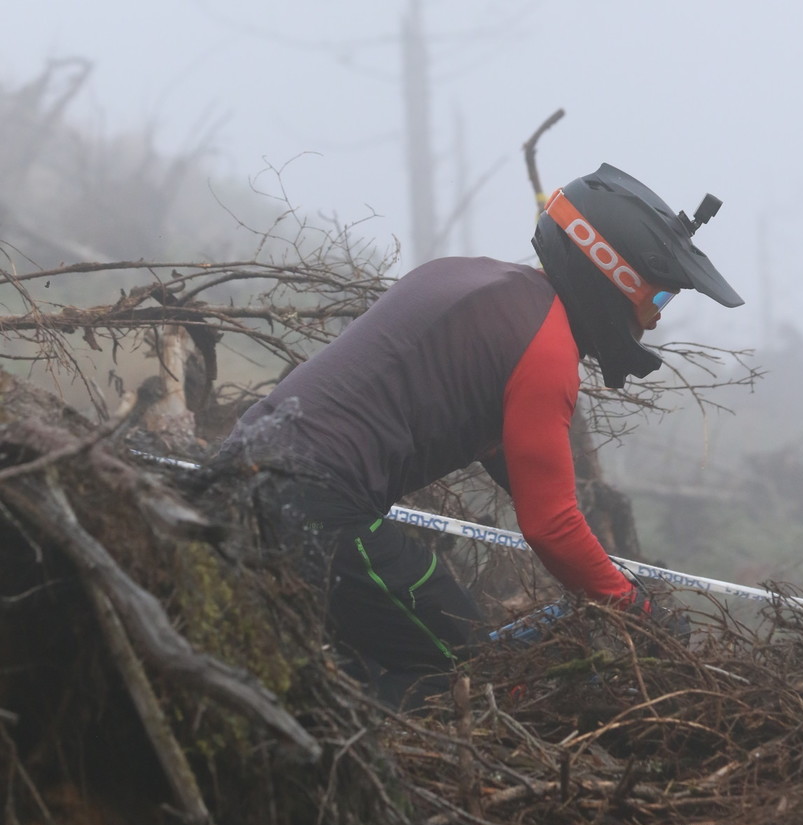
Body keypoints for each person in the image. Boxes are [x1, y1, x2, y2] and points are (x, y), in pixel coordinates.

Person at [216, 162, 743, 706]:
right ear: (613, 274)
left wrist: (610, 581)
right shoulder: (547, 350)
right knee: (464, 673)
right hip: (317, 500)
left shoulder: (469, 278)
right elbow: (550, 525)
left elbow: (516, 469)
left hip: (243, 461)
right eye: (657, 300)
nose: (654, 321)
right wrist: (637, 613)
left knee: (342, 662)